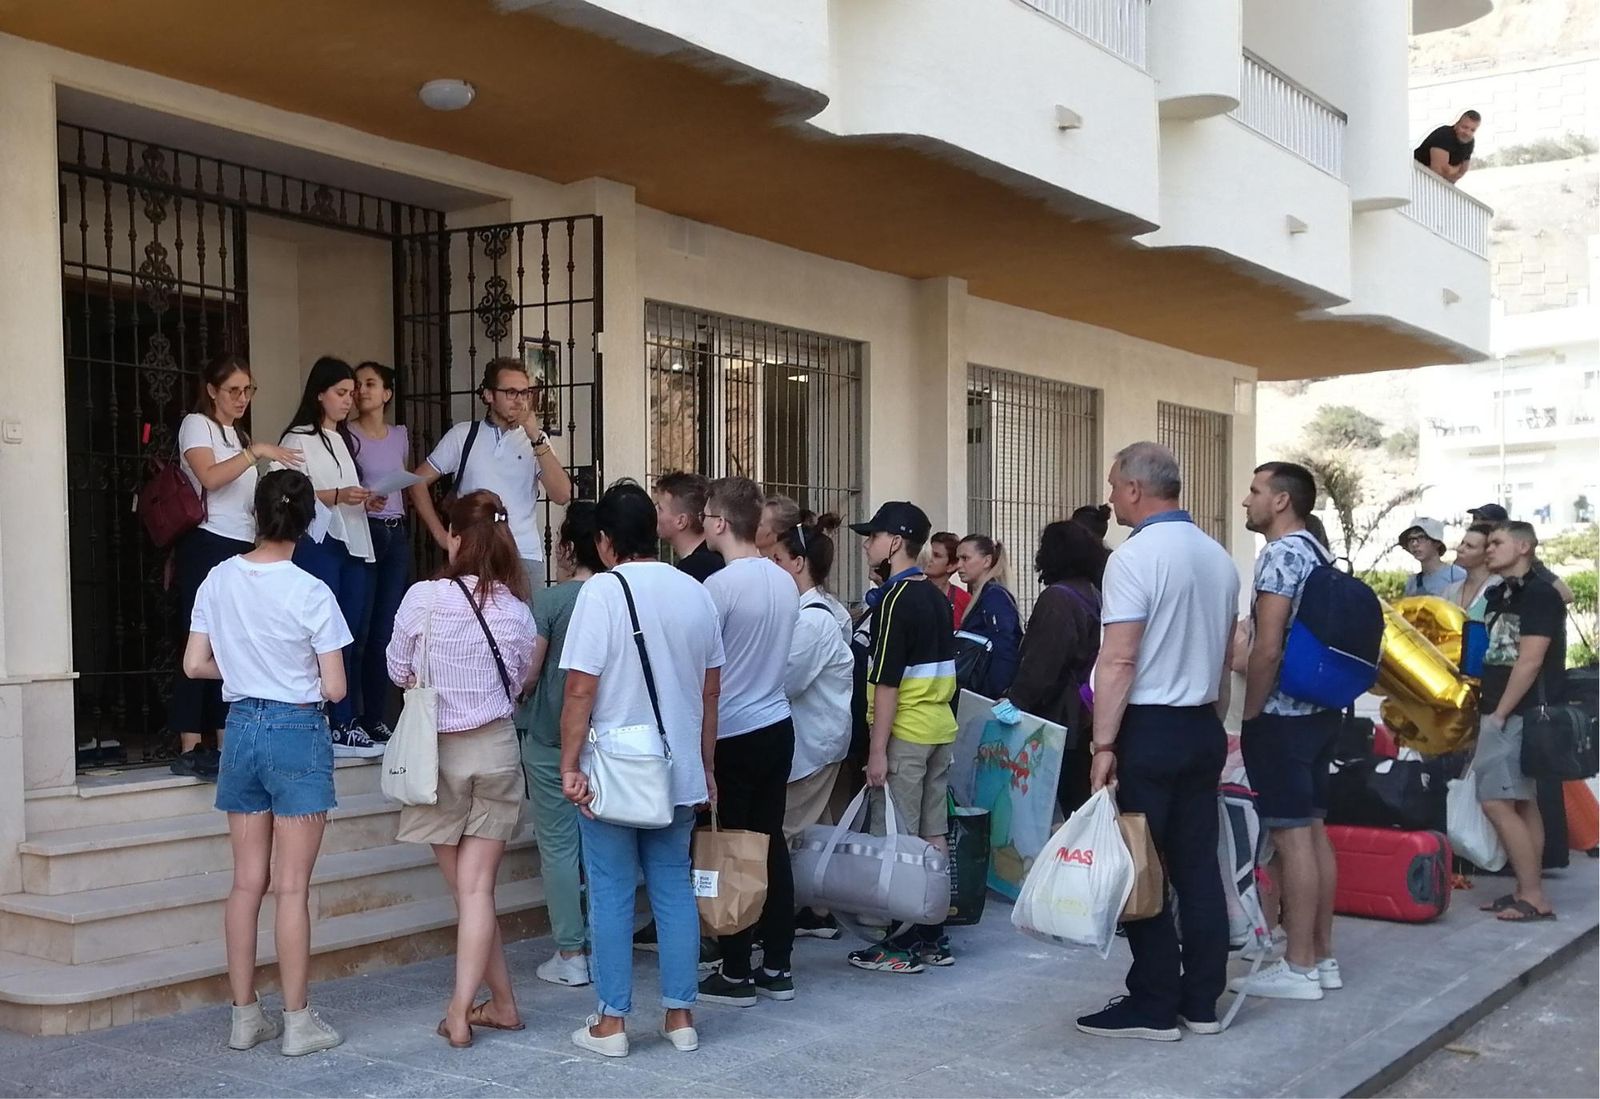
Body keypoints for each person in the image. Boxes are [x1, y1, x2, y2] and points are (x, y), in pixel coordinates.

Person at [184, 469, 350, 1057]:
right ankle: (299, 1021)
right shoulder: (311, 591)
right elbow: (334, 688)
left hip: (241, 731)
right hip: (296, 731)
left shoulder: (217, 578)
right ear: (306, 522)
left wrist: (246, 669)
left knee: (246, 882)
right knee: (292, 889)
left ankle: (243, 1015)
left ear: (256, 514)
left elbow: (194, 665)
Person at [1076, 442, 1239, 1042]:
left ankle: (1151, 1002)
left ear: (1137, 489)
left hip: (1149, 727)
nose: (1111, 497)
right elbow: (1226, 658)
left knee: (1137, 865)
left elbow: (1118, 659)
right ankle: (1201, 1001)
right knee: (1197, 869)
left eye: (1115, 485)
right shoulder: (1217, 556)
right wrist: (1212, 719)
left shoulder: (1134, 557)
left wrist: (1103, 747)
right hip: (1200, 724)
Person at [560, 480, 724, 1058]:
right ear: (653, 532)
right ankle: (681, 1017)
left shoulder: (601, 593)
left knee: (608, 891)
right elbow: (710, 692)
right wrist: (706, 767)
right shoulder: (694, 591)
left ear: (604, 542)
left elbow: (580, 689)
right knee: (673, 888)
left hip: (613, 770)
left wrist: (568, 763)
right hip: (678, 768)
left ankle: (611, 1023)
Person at [386, 490, 537, 1048]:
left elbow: (398, 670)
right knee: (478, 894)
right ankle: (502, 1004)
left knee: (469, 895)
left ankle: (457, 1011)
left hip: (437, 756)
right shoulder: (517, 610)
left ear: (454, 536)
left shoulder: (423, 598)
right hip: (497, 749)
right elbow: (522, 679)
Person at [1230, 462, 1342, 1004]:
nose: (1245, 500)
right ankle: (1321, 957)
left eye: (1254, 491)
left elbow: (1267, 646)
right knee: (1315, 833)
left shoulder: (1280, 556)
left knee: (1292, 837)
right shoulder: (1321, 553)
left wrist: (1252, 713)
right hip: (1321, 712)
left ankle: (1297, 967)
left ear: (1280, 501)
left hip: (1283, 716)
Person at [170, 355, 303, 780]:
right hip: (206, 542)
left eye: (249, 390)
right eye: (234, 391)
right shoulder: (197, 424)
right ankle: (191, 743)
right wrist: (255, 452)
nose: (242, 398)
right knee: (200, 641)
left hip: (239, 544)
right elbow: (210, 477)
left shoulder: (237, 432)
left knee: (232, 643)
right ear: (212, 390)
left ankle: (228, 741)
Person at [696, 476, 800, 1006]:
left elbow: (705, 669)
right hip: (776, 723)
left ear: (718, 522)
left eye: (707, 514)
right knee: (769, 843)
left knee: (732, 848)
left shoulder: (718, 587)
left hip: (733, 730)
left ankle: (735, 969)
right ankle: (777, 964)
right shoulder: (784, 580)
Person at [847, 501, 959, 972]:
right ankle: (933, 934)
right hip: (938, 728)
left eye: (872, 537)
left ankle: (899, 941)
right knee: (933, 835)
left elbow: (886, 680)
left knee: (897, 839)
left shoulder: (895, 599)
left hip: (906, 733)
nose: (868, 545)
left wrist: (877, 751)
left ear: (894, 543)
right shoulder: (936, 594)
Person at [516, 501, 603, 988]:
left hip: (551, 737)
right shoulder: (619, 595)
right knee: (601, 846)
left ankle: (572, 951)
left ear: (569, 548)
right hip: (606, 740)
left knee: (558, 846)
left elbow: (529, 673)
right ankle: (603, 941)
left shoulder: (550, 602)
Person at [279, 357, 381, 758]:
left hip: (353, 539)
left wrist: (365, 499)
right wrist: (337, 496)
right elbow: (288, 494)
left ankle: (348, 717)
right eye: (341, 393)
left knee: (354, 631)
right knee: (326, 633)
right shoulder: (297, 438)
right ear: (318, 393)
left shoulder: (341, 438)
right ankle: (333, 719)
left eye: (351, 394)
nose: (348, 401)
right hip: (321, 542)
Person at [409, 357, 574, 592]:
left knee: (525, 627)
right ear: (488, 395)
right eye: (510, 392)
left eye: (525, 393)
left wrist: (535, 436)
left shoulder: (537, 441)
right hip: (474, 553)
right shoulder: (462, 435)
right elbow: (417, 483)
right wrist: (440, 535)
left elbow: (562, 494)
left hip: (523, 554)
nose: (519, 400)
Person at [1474, 521, 1564, 923]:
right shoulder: (1499, 593)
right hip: (1501, 708)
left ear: (1524, 546)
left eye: (1497, 542)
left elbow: (1530, 660)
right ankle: (1527, 890)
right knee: (1523, 802)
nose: (1488, 549)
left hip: (1518, 712)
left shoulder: (1540, 595)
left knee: (1495, 800)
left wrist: (1499, 713)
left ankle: (1532, 895)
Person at [772, 514, 854, 941]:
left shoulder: (815, 620)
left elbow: (785, 680)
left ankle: (774, 919)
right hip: (819, 740)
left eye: (779, 558)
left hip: (813, 743)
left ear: (799, 563)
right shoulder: (823, 611)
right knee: (816, 832)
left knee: (782, 833)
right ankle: (818, 912)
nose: (774, 566)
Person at [1008, 519, 1108, 817]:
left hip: (1057, 720)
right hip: (1086, 712)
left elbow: (1043, 664)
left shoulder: (1057, 599)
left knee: (1053, 809)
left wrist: (1015, 702)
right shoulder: (1093, 593)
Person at [350, 361, 410, 743]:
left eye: (370, 384)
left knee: (387, 630)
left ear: (387, 393)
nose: (362, 391)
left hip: (396, 532)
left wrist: (439, 533)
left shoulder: (400, 435)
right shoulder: (347, 435)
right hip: (365, 531)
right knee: (362, 626)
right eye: (357, 385)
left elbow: (412, 485)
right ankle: (353, 715)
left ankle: (377, 715)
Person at [955, 534, 1022, 699]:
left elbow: (1006, 646)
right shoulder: (984, 594)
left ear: (986, 561)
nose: (959, 566)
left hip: (989, 694)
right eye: (958, 559)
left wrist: (998, 694)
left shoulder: (994, 596)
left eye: (965, 558)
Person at [1468, 504, 1575, 604]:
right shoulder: (1469, 553)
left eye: (1483, 520)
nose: (1476, 523)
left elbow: (1565, 594)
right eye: (1475, 519)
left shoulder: (1518, 556)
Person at [653, 471, 724, 582]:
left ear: (681, 521)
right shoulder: (716, 558)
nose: (654, 512)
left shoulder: (694, 570)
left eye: (660, 508)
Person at [1399, 518, 1466, 598]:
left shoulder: (1457, 575)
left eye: (1421, 538)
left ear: (1437, 543)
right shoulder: (1412, 582)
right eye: (1411, 539)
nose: (1414, 544)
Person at [1446, 523, 1502, 617]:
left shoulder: (1500, 588)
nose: (1460, 549)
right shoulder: (1451, 590)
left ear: (1488, 553)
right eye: (1462, 543)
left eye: (1469, 546)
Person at [1414, 110, 1479, 185]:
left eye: (1472, 130)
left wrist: (1448, 170)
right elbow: (1438, 171)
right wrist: (1453, 170)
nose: (1467, 132)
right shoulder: (1444, 134)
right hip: (1415, 177)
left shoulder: (1469, 141)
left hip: (1437, 185)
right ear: (1456, 125)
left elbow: (1462, 172)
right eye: (1464, 127)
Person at [924, 531, 971, 627]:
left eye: (936, 555)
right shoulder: (912, 591)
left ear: (952, 566)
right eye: (929, 553)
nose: (929, 558)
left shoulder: (965, 600)